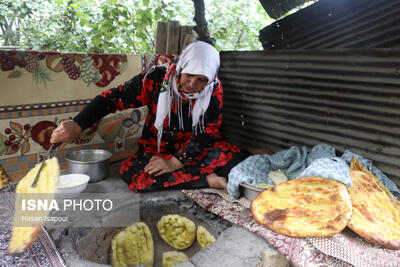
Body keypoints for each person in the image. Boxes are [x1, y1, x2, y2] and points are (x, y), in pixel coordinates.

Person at [50, 41, 250, 194]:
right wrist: (78, 123)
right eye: (189, 75)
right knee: (137, 176)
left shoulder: (213, 90)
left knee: (236, 162)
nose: (191, 84)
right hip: (158, 147)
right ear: (181, 67)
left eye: (201, 80)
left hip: (197, 148)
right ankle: (206, 180)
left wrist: (175, 163)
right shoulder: (155, 80)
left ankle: (190, 172)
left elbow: (207, 132)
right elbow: (113, 98)